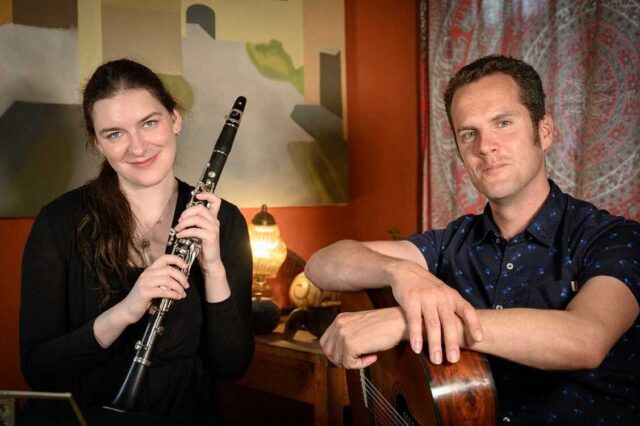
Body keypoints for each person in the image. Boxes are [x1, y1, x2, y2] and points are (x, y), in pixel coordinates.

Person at [305, 55, 640, 425]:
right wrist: (401, 272)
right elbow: (321, 264)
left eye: (503, 123)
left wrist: (405, 323)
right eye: (469, 133)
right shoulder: (452, 242)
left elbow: (586, 340)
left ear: (544, 131)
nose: (485, 146)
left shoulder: (614, 238)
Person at [19, 59, 254, 425]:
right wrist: (125, 311)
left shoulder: (224, 221)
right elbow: (38, 370)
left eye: (149, 123)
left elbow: (231, 367)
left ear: (174, 119)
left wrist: (213, 267)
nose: (138, 147)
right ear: (98, 143)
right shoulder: (58, 223)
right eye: (115, 134)